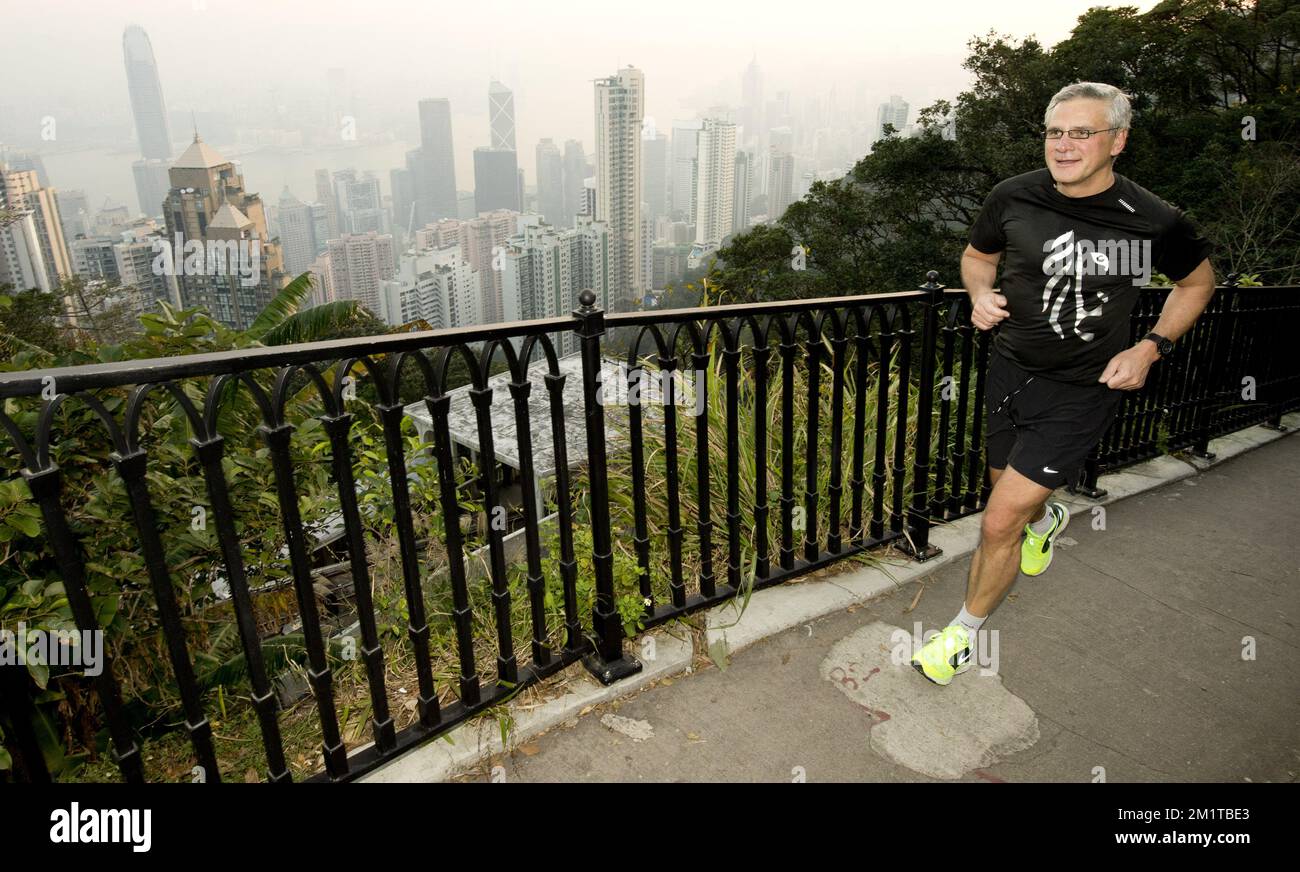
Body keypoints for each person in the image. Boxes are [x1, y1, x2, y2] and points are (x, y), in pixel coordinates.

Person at [911, 81, 1216, 685]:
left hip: (1084, 389)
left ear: (1118, 141)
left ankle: (962, 636)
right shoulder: (1013, 196)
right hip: (1010, 372)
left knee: (998, 522)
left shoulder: (1154, 220)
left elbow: (1198, 284)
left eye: (1083, 132)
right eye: (1056, 132)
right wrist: (978, 294)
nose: (1065, 145)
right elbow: (978, 255)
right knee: (1008, 497)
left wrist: (1149, 348)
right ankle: (1046, 519)